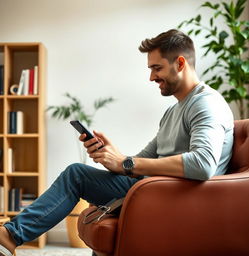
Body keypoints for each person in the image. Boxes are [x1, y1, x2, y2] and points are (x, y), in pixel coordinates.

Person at [0, 29, 234, 256]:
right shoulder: (173, 111)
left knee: (77, 175)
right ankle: (9, 235)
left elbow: (203, 163)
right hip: (155, 187)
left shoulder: (206, 103)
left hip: (177, 196)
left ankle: (9, 236)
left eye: (156, 68)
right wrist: (113, 157)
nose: (151, 77)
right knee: (80, 176)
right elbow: (142, 160)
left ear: (180, 63)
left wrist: (127, 163)